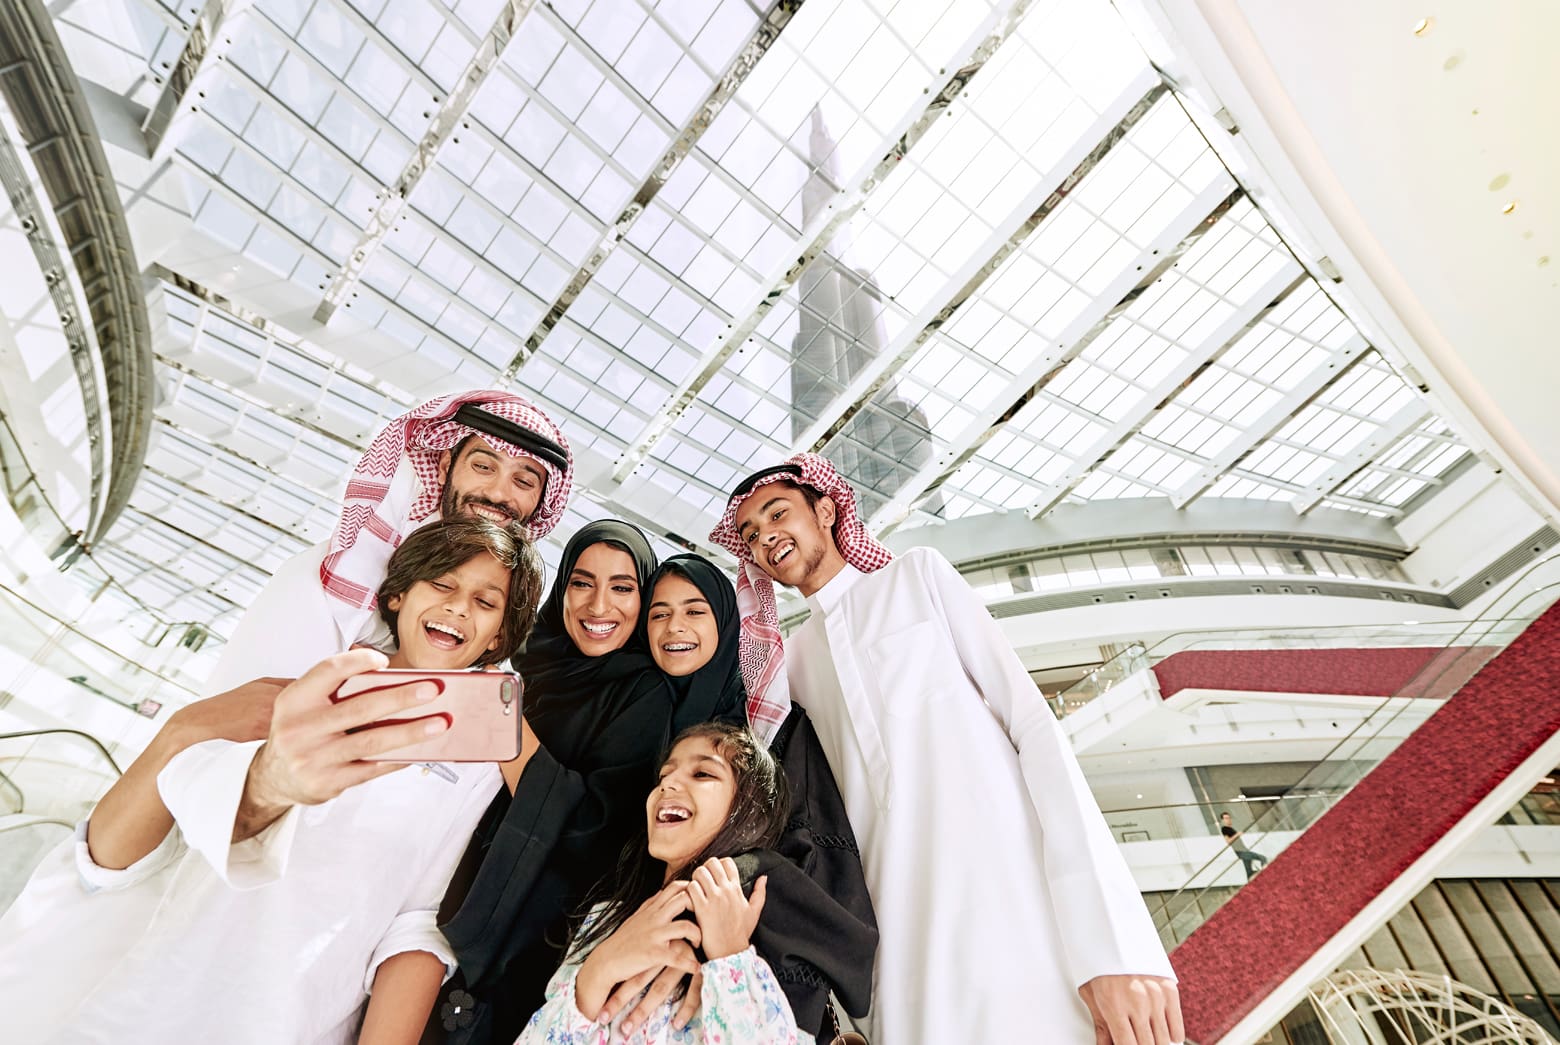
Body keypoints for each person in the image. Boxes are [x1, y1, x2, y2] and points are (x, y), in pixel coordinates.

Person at [4, 516, 544, 1043]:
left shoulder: (479, 761)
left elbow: (420, 914)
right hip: (161, 989)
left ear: (498, 635)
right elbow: (192, 805)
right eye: (442, 584)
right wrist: (260, 779)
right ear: (398, 595)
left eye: (485, 602)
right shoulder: (306, 680)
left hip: (303, 1014)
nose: (458, 607)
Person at [709, 453, 1183, 1045]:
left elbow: (1033, 727)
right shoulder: (793, 665)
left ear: (827, 510)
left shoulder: (917, 578)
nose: (765, 537)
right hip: (902, 938)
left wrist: (1111, 948)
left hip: (1015, 897)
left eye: (778, 514)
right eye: (751, 533)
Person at [436, 523, 746, 1045]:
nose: (598, 605)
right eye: (581, 582)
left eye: (623, 587)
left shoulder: (644, 692)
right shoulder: (530, 659)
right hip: (440, 877)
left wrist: (502, 720)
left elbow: (597, 824)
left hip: (535, 929)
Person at [637, 555, 877, 1038]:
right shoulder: (634, 714)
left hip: (748, 968)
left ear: (726, 622)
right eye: (659, 613)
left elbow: (811, 853)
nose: (674, 626)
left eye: (695, 610)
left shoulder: (768, 724)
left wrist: (722, 948)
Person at [516, 722, 807, 1044]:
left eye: (702, 774)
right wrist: (597, 972)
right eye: (664, 775)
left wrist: (731, 959)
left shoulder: (767, 932)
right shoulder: (606, 919)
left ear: (751, 814)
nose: (668, 783)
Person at [1219, 811, 1268, 880]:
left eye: (1229, 818)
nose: (1228, 819)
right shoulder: (1224, 829)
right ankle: (1267, 874)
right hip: (1241, 852)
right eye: (1226, 818)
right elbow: (1228, 841)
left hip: (1243, 850)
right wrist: (1237, 834)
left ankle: (1254, 881)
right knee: (1263, 858)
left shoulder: (1231, 828)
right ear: (1223, 820)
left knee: (1249, 872)